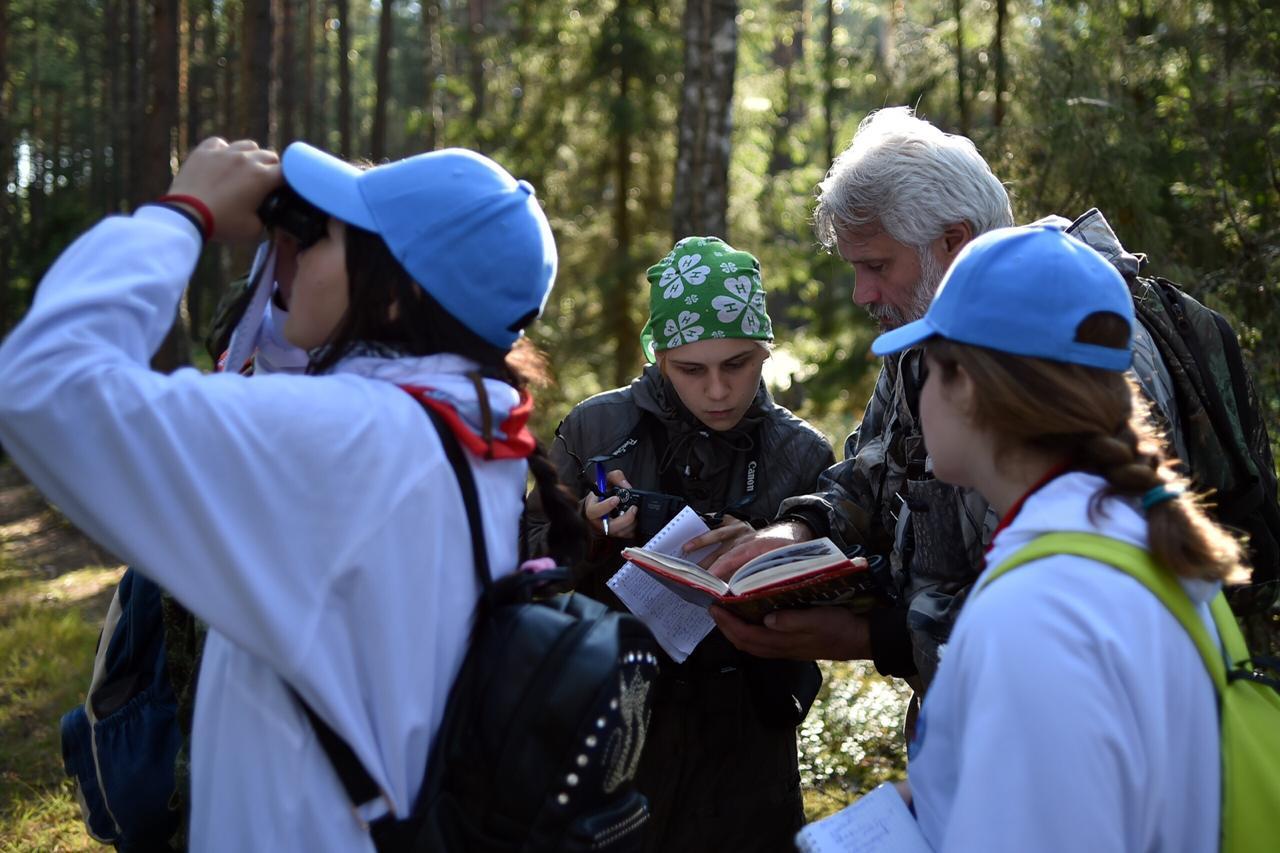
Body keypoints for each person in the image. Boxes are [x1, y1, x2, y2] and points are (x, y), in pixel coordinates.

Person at [0, 137, 585, 850]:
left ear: (396, 294)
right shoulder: (450, 430)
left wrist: (183, 213)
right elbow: (285, 376)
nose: (295, 253)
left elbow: (43, 383)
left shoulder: (353, 446)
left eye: (320, 237)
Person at [709, 107, 1184, 690]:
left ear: (953, 240)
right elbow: (872, 469)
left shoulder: (1084, 344)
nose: (862, 292)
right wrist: (798, 534)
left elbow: (1081, 617)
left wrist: (872, 637)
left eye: (876, 265)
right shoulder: (923, 335)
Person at [875, 224, 1242, 851]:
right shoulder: (1134, 538)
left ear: (970, 385)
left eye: (930, 370)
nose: (920, 395)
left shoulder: (1040, 611)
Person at [525, 236, 835, 852]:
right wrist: (585, 530)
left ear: (766, 350)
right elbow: (523, 562)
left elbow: (837, 593)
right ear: (659, 356)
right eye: (692, 369)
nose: (718, 391)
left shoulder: (802, 453)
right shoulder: (598, 428)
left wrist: (771, 550)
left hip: (749, 738)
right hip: (616, 724)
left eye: (738, 364)